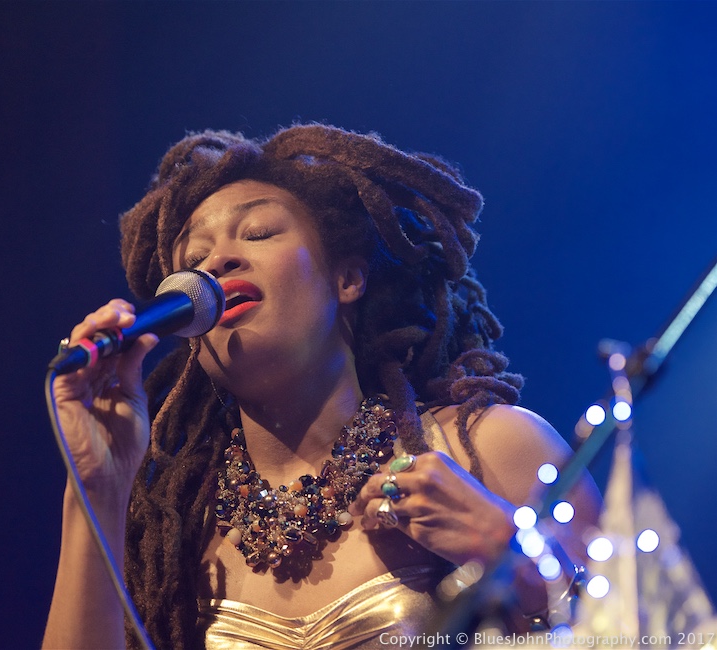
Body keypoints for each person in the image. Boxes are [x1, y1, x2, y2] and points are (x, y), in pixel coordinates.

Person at [43, 125, 601, 650]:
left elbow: (655, 627)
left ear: (348, 279)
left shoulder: (490, 450)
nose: (218, 261)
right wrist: (96, 489)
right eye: (194, 261)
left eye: (258, 232)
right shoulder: (174, 530)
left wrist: (514, 554)